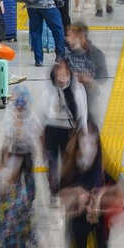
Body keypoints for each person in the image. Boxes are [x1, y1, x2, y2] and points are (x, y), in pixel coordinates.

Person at [40, 60, 88, 206]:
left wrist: (82, 134)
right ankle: (54, 193)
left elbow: (82, 113)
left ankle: (68, 190)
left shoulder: (77, 90)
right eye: (59, 73)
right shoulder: (49, 90)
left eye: (65, 73)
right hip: (52, 130)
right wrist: (41, 136)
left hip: (69, 131)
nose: (62, 77)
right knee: (52, 163)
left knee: (69, 164)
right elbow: (42, 112)